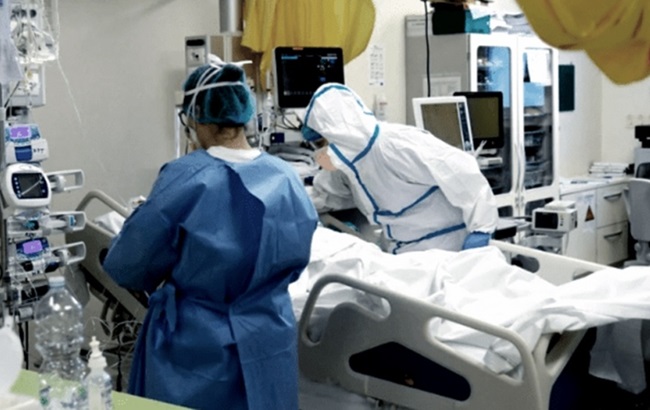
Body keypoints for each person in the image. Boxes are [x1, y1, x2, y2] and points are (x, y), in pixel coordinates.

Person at [102, 62, 318, 410]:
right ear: (244, 113)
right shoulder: (286, 177)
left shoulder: (186, 177)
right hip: (269, 338)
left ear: (195, 118)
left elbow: (129, 265)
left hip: (199, 349)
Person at [302, 83, 498, 254]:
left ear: (338, 134)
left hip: (450, 246)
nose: (320, 151)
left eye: (322, 142)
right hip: (407, 252)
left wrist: (481, 228)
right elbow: (326, 194)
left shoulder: (395, 144)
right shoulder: (349, 165)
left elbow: (461, 170)